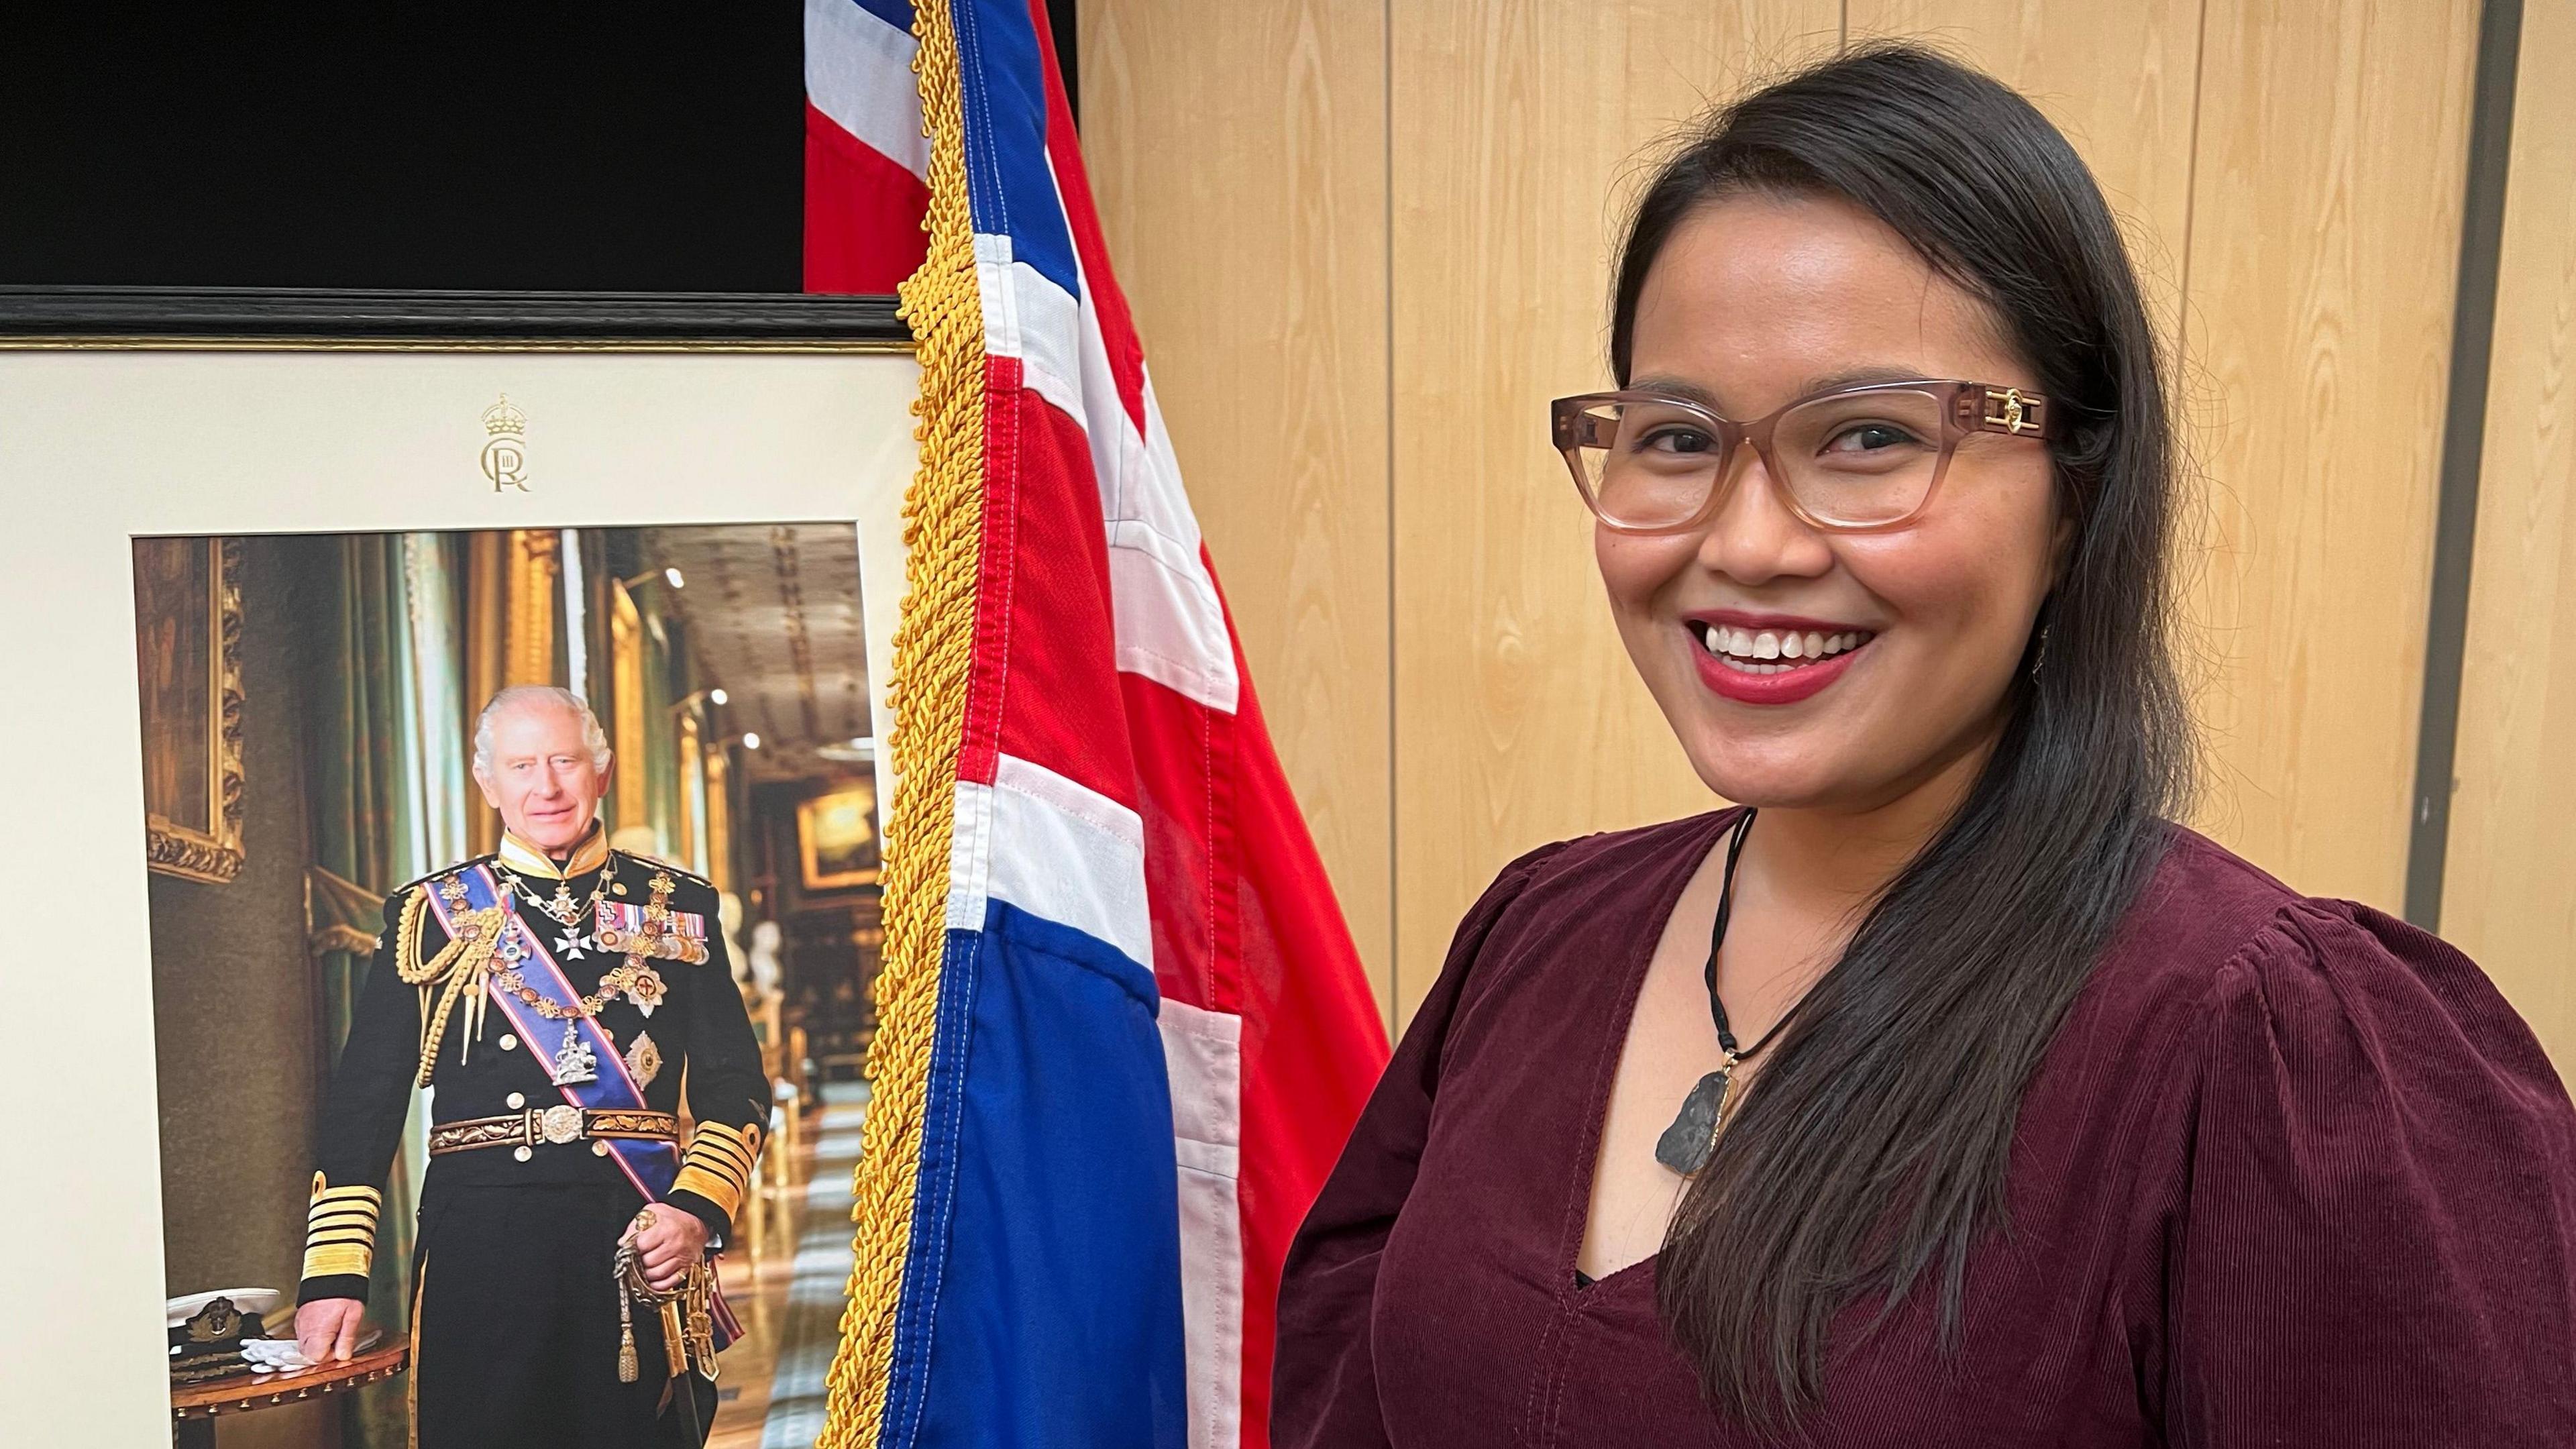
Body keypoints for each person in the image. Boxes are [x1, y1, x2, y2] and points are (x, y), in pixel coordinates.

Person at [1272, 44, 2576, 1448]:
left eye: (1872, 438)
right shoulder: (1537, 933)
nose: (1746, 543)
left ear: (2078, 494)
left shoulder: (2267, 1051)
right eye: (1673, 435)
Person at [294, 684, 769, 1448]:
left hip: (632, 1236)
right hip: (482, 1244)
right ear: (488, 783)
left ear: (601, 773)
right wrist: (334, 1276)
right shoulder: (431, 914)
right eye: (522, 765)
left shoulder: (676, 906)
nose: (545, 786)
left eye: (564, 762)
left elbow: (735, 1088)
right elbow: (364, 1106)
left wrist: (694, 1211)